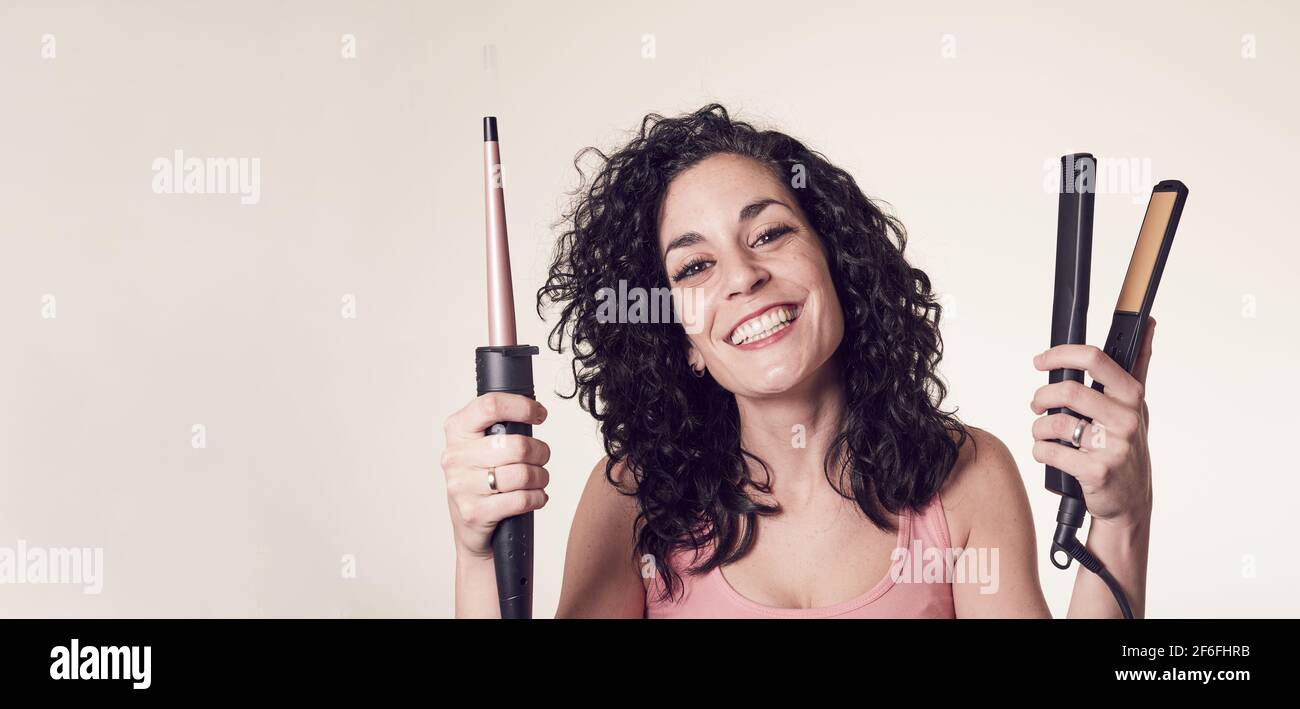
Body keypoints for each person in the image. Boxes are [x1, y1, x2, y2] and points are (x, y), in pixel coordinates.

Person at [441, 104, 1153, 618]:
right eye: (694, 267)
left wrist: (1121, 519)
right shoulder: (633, 499)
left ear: (838, 265)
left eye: (770, 232)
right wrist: (478, 557)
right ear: (680, 339)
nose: (743, 276)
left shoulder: (965, 479)